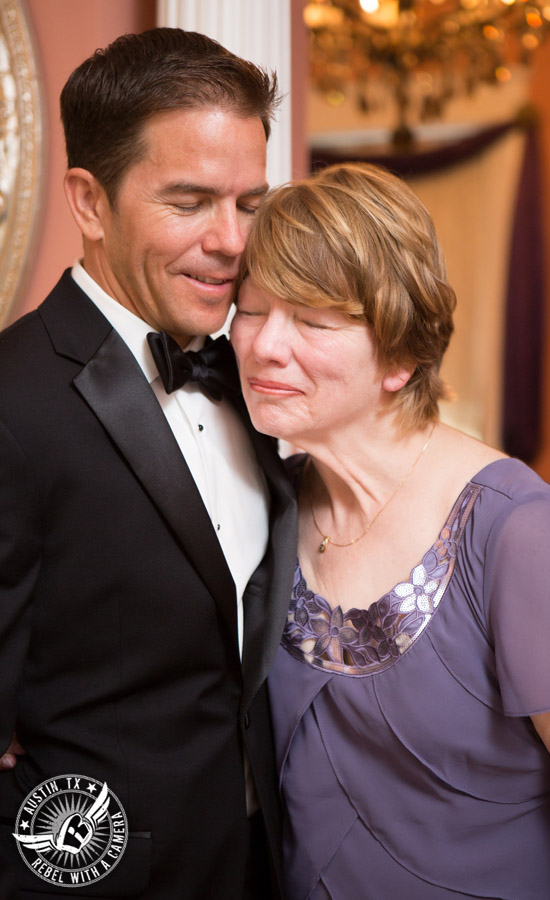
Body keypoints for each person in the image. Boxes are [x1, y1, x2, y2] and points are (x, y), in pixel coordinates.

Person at [230, 161, 550, 899]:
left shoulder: (520, 533)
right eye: (252, 309)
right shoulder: (260, 504)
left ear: (400, 355)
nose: (265, 346)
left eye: (312, 321)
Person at [0, 28, 297, 900]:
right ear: (90, 203)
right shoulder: (11, 403)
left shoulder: (262, 373)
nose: (232, 241)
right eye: (189, 201)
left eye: (251, 203)